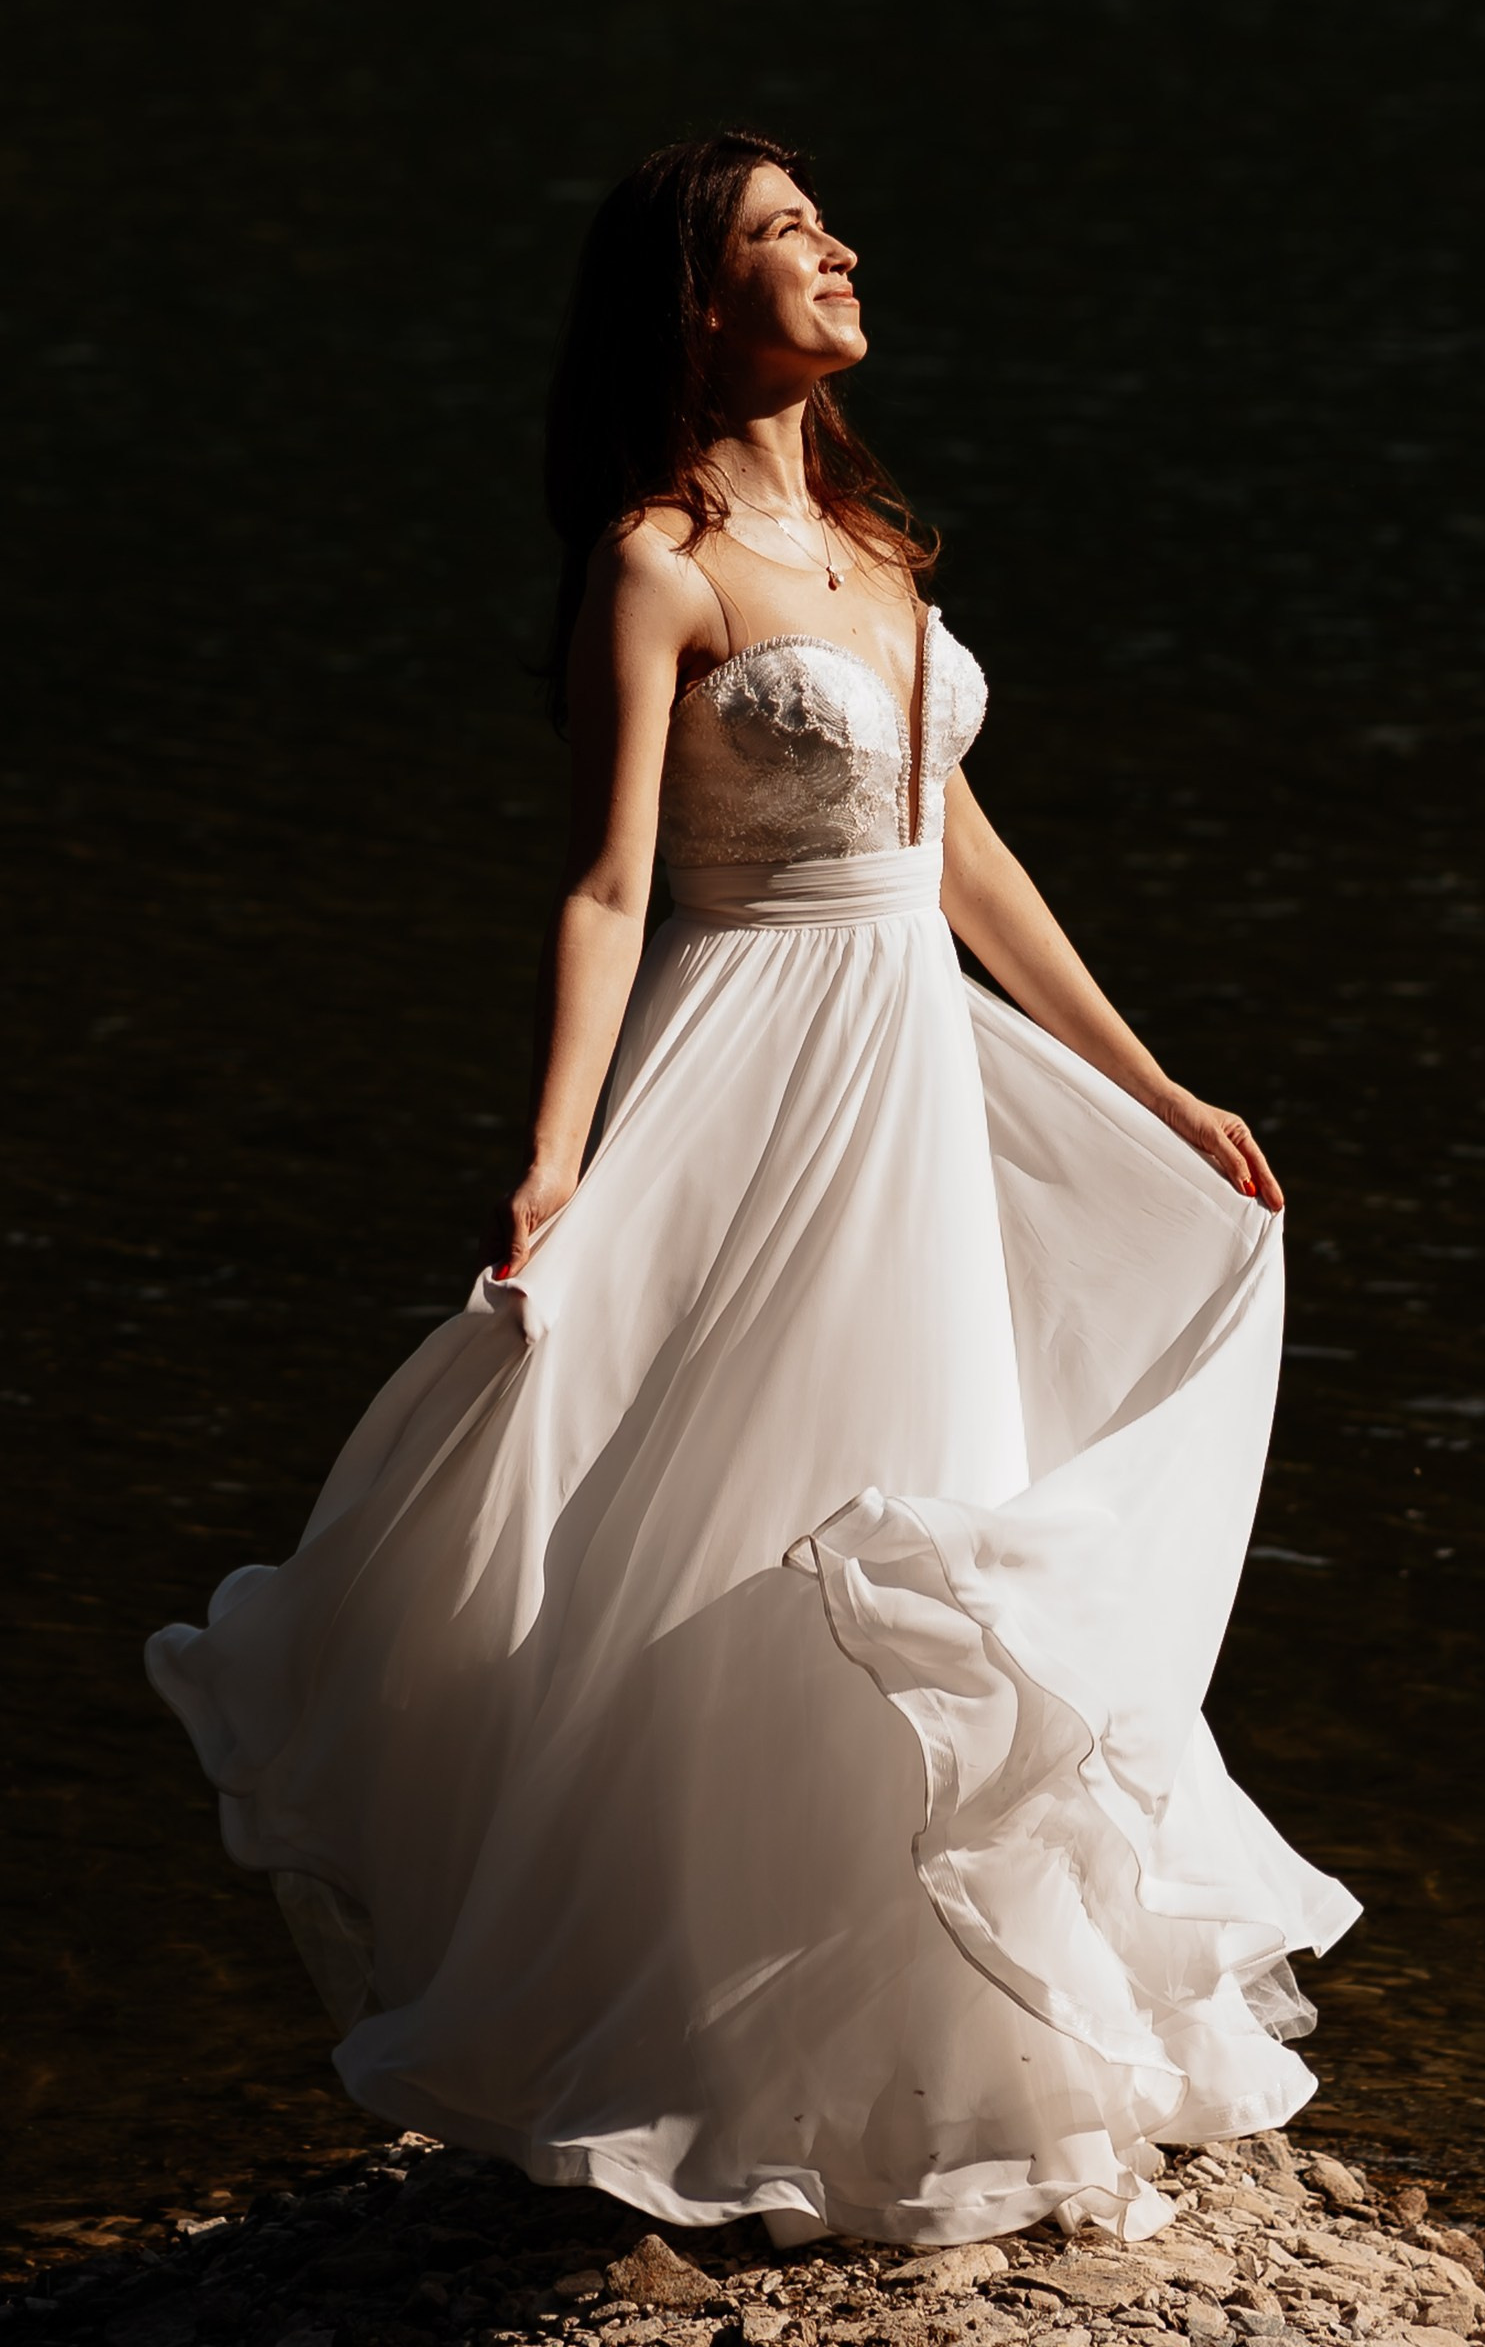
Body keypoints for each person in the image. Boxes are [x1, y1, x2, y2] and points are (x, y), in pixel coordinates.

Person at [146, 132, 1360, 2248]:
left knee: (938, 1491)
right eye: (793, 232)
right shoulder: (655, 559)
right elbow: (611, 883)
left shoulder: (880, 543)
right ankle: (701, 2049)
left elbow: (956, 847)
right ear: (696, 301)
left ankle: (954, 2048)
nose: (843, 250)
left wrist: (1149, 1077)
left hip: (913, 1065)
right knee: (730, 1517)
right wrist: (556, 1158)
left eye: (827, 222)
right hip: (756, 1060)